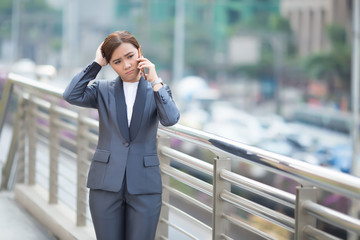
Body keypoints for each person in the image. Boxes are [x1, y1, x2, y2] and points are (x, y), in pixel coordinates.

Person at [62, 30, 180, 240]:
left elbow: (170, 119)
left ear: (139, 52)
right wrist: (96, 64)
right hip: (105, 184)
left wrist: (155, 81)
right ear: (111, 64)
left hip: (145, 186)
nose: (126, 65)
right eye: (117, 61)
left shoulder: (157, 90)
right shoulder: (102, 89)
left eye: (130, 56)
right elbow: (71, 94)